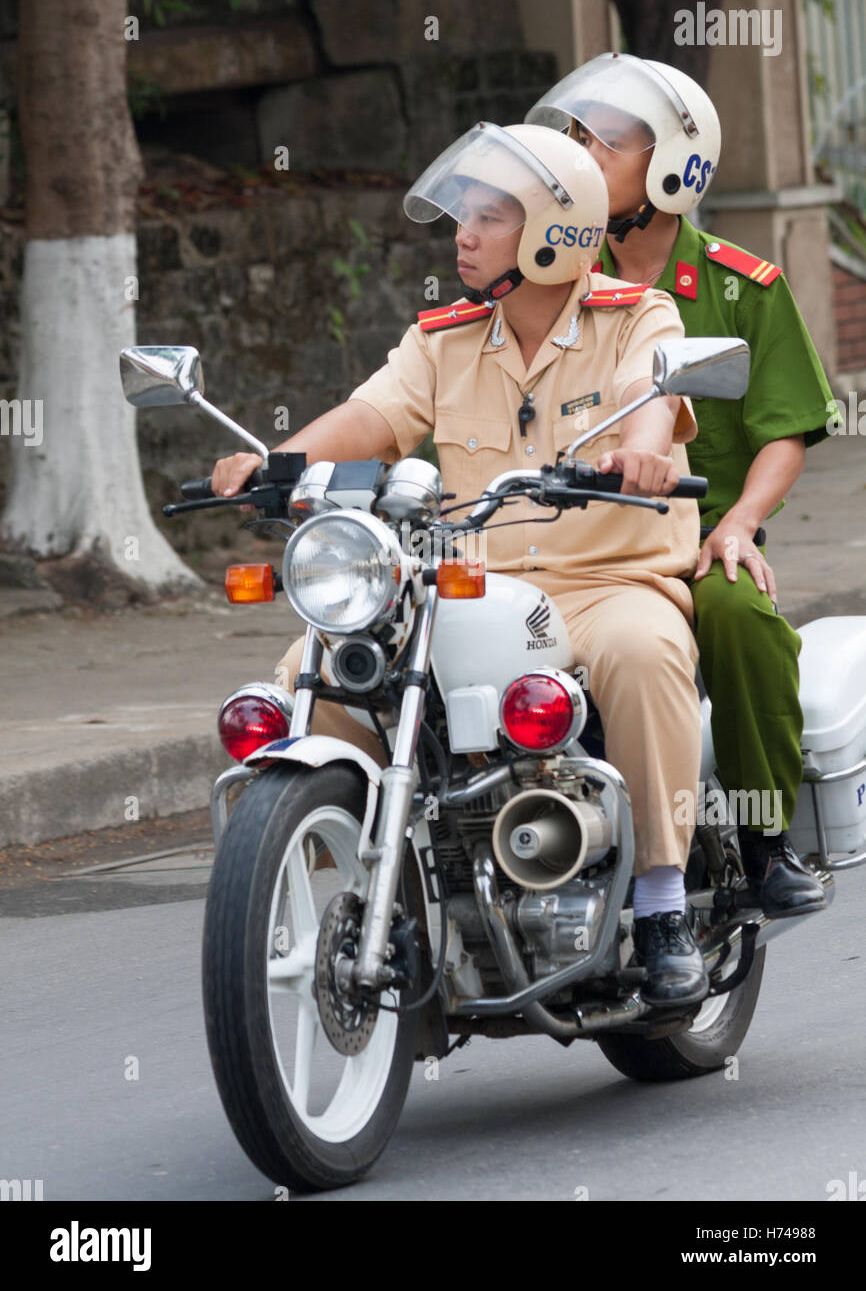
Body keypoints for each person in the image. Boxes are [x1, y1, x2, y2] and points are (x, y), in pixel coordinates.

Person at [212, 121, 710, 1006]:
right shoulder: (442, 340)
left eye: (489, 217)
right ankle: (337, 876)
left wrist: (643, 449)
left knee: (645, 654)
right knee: (313, 670)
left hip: (605, 583)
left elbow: (651, 396)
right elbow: (370, 417)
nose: (463, 235)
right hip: (471, 588)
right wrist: (275, 465)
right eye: (462, 216)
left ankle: (664, 903)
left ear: (556, 231)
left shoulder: (638, 316)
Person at [527, 52, 840, 917]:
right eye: (576, 136)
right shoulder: (549, 286)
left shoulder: (744, 291)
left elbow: (784, 431)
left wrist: (738, 524)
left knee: (742, 618)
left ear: (671, 166)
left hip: (697, 537)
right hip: (576, 541)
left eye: (604, 141)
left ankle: (763, 840)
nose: (579, 154)